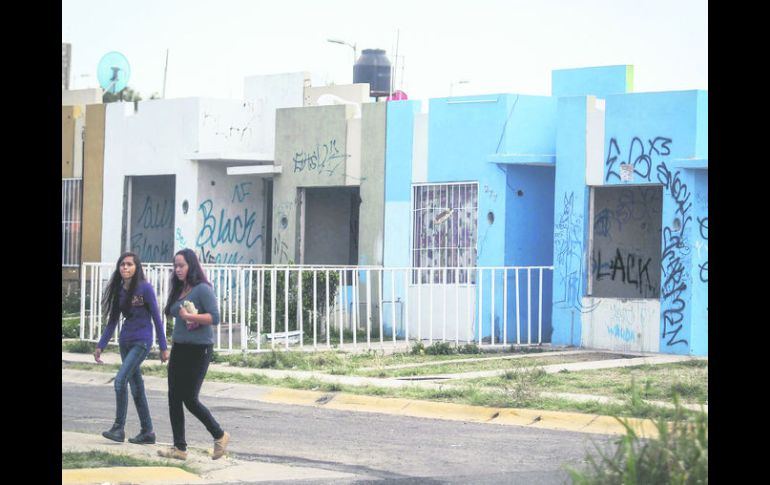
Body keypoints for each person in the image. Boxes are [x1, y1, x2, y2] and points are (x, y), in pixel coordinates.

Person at [157, 248, 230, 461]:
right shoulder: (179, 288)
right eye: (175, 266)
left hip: (199, 349)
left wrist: (191, 316)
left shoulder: (202, 289)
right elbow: (171, 311)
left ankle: (220, 435)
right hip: (180, 347)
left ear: (191, 266)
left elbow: (215, 317)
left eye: (181, 266)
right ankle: (179, 447)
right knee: (173, 397)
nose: (178, 270)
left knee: (189, 398)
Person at [95, 252, 169, 444]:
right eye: (122, 265)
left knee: (120, 381)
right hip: (125, 342)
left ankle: (118, 428)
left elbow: (157, 318)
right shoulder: (119, 290)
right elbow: (112, 322)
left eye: (129, 264)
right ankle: (148, 432)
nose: (125, 268)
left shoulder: (145, 288)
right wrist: (100, 345)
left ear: (136, 268)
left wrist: (163, 346)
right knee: (137, 388)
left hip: (142, 341)